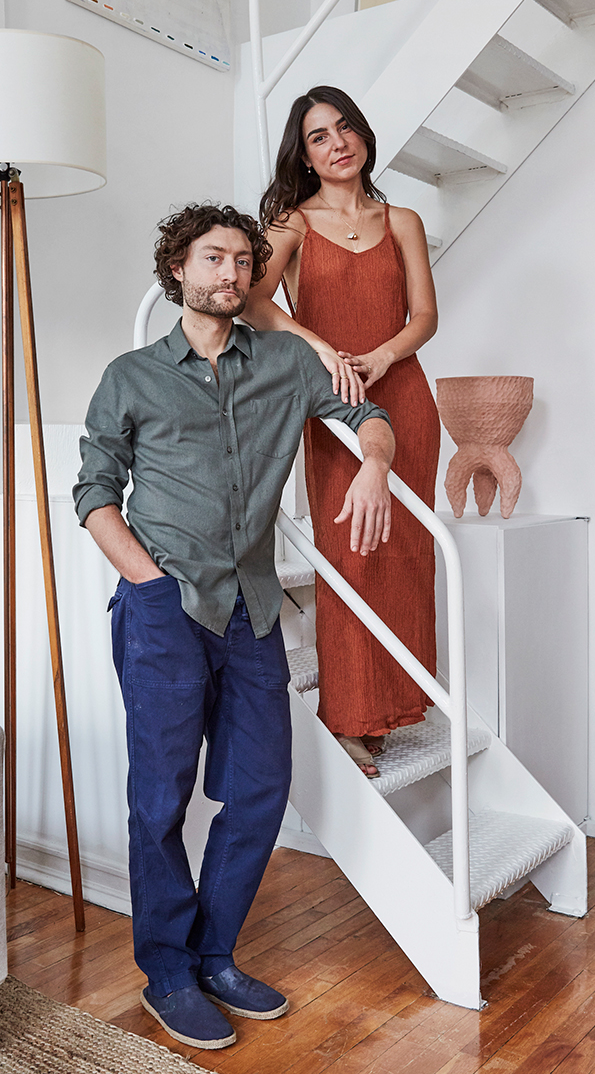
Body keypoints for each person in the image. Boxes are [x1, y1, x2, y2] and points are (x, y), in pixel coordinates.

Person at [73, 202, 395, 1052]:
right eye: (214, 259)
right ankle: (168, 973)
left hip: (252, 609)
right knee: (161, 800)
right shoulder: (130, 376)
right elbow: (95, 496)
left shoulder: (287, 360)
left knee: (257, 791)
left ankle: (214, 956)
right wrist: (145, 583)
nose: (233, 274)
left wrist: (374, 463)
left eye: (245, 263)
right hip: (164, 608)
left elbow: (367, 416)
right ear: (177, 268)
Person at [245, 86, 440, 780]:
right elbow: (253, 301)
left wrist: (385, 355)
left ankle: (395, 706)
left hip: (406, 395)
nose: (337, 143)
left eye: (345, 128)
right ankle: (350, 716)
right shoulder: (289, 224)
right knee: (351, 555)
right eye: (319, 136)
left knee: (405, 555)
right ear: (305, 154)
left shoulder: (404, 219)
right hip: (330, 403)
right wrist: (317, 346)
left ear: (362, 136)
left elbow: (424, 317)